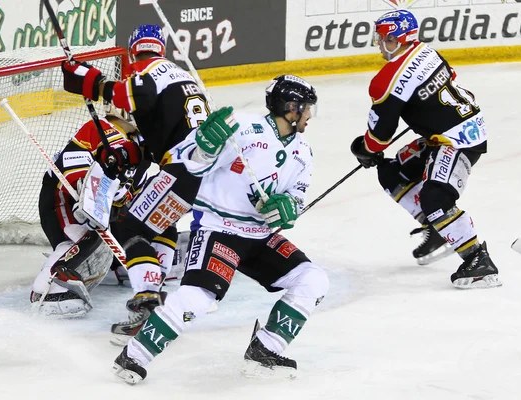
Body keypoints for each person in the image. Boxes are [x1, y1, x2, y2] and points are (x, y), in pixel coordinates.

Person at [111, 75, 330, 385]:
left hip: (260, 236)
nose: (309, 115)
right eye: (306, 108)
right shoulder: (239, 126)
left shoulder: (303, 151)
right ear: (291, 108)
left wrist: (288, 208)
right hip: (220, 229)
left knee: (313, 279)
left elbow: (297, 195)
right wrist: (205, 147)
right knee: (199, 297)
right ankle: (135, 355)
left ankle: (265, 350)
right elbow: (188, 163)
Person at [61, 24, 238, 327]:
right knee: (161, 223)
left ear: (133, 51)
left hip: (184, 167)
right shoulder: (182, 74)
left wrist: (88, 81)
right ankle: (168, 287)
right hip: (212, 171)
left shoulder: (146, 70)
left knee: (129, 229)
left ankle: (147, 303)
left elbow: (132, 96)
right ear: (162, 48)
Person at [350, 9, 501, 289]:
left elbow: (379, 137)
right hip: (451, 130)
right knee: (392, 173)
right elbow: (450, 78)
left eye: (384, 39)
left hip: (457, 140)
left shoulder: (386, 80)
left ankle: (478, 260)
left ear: (397, 39)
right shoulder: (427, 51)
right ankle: (437, 229)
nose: (380, 44)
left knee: (435, 198)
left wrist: (364, 149)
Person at [32, 107, 145, 317]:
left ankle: (122, 264)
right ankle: (49, 290)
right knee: (81, 235)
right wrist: (98, 187)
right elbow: (67, 166)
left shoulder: (137, 143)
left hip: (96, 206)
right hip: (62, 200)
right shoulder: (102, 128)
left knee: (127, 221)